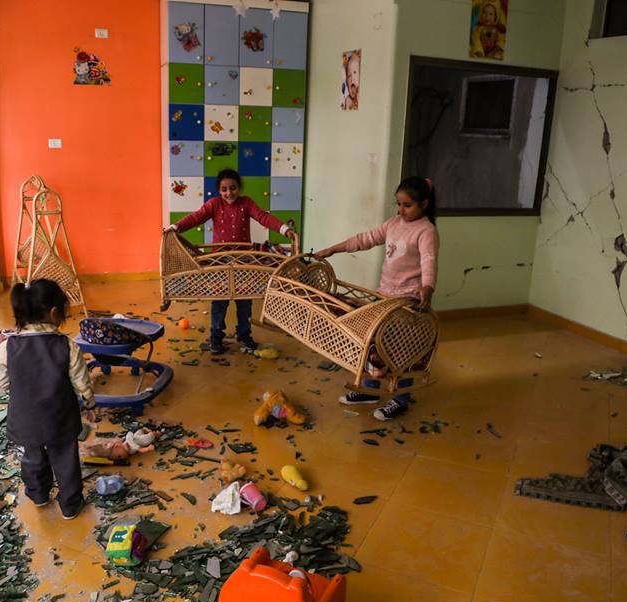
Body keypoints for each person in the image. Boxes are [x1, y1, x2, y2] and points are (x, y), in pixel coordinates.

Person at [314, 176, 439, 421]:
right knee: (373, 344)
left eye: (407, 205)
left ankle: (401, 399)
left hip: (408, 303)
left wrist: (427, 288)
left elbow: (429, 262)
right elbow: (365, 239)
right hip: (384, 296)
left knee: (401, 351)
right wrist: (333, 249)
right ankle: (369, 391)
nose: (400, 210)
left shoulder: (426, 231)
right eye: (398, 204)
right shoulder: (393, 223)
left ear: (424, 204)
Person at [0, 279, 95, 519]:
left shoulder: (7, 347)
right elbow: (81, 382)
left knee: (32, 456)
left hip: (25, 418)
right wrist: (90, 403)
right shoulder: (66, 345)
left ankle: (38, 495)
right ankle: (70, 505)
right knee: (66, 459)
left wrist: (20, 383)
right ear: (54, 312)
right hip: (60, 417)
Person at [168, 168, 297, 354]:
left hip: (243, 261)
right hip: (219, 261)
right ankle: (215, 337)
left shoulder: (246, 203)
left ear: (239, 187)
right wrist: (176, 227)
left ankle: (244, 335)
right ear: (219, 191)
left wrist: (284, 229)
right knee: (219, 300)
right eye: (224, 189)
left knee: (244, 300)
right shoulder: (213, 204)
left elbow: (263, 217)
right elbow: (196, 217)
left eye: (233, 188)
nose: (229, 193)